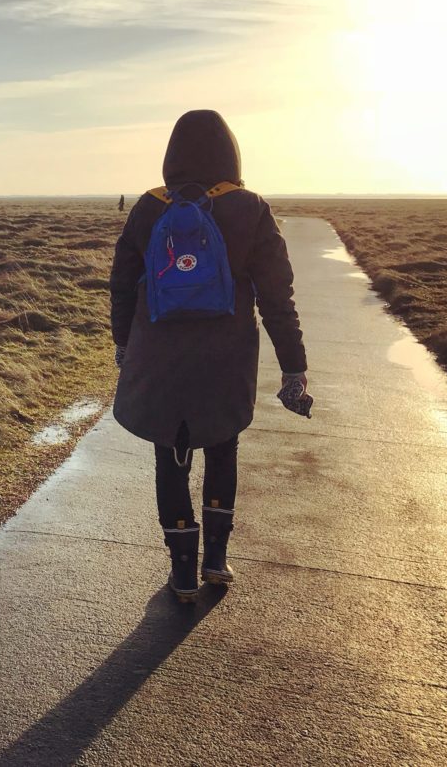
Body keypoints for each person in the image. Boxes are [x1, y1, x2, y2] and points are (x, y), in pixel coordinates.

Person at [109, 110, 310, 603]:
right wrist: (294, 365)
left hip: (159, 357)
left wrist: (123, 346)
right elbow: (277, 298)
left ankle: (181, 574)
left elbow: (120, 286)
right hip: (226, 357)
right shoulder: (250, 208)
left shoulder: (148, 208)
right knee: (223, 446)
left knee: (170, 453)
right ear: (231, 154)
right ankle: (216, 559)